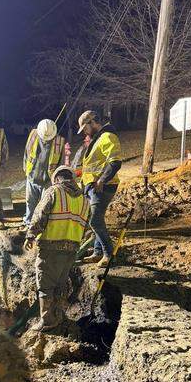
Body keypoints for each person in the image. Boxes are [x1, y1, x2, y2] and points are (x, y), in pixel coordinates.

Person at [24, 165, 91, 331]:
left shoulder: (54, 191)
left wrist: (31, 235)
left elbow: (40, 216)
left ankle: (47, 320)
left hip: (51, 247)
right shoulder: (84, 199)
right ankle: (59, 315)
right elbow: (85, 225)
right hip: (72, 248)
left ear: (56, 178)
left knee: (45, 284)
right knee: (61, 283)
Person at [75, 110, 122, 268]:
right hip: (92, 187)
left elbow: (115, 162)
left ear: (92, 123)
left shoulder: (107, 137)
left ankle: (109, 254)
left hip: (103, 187)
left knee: (95, 221)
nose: (85, 133)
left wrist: (102, 180)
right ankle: (97, 252)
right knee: (95, 220)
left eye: (85, 129)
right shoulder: (97, 139)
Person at [22, 118, 68, 228]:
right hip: (32, 176)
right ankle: (28, 221)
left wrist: (57, 180)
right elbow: (26, 153)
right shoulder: (33, 135)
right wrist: (26, 170)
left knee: (44, 205)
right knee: (30, 201)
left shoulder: (59, 141)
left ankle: (42, 225)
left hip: (48, 180)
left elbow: (61, 162)